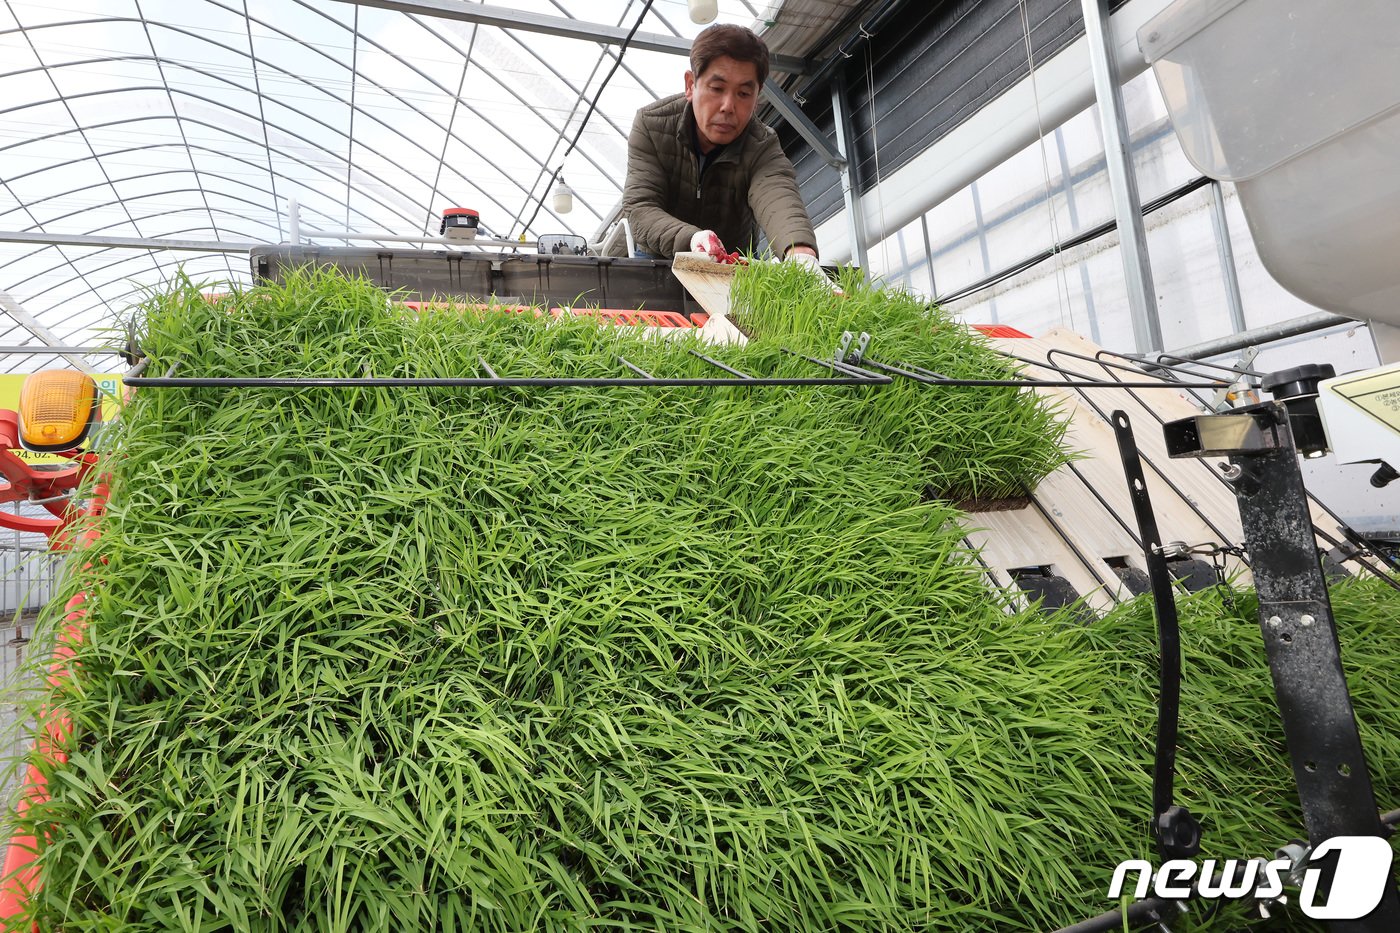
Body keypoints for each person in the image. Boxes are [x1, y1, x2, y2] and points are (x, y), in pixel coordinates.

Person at [620, 23, 821, 272]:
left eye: (744, 93)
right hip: (659, 257)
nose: (728, 106)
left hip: (729, 261)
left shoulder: (761, 145)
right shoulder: (652, 125)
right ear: (691, 85)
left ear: (757, 97)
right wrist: (691, 238)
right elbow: (640, 207)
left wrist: (800, 255)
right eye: (717, 88)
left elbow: (777, 195)